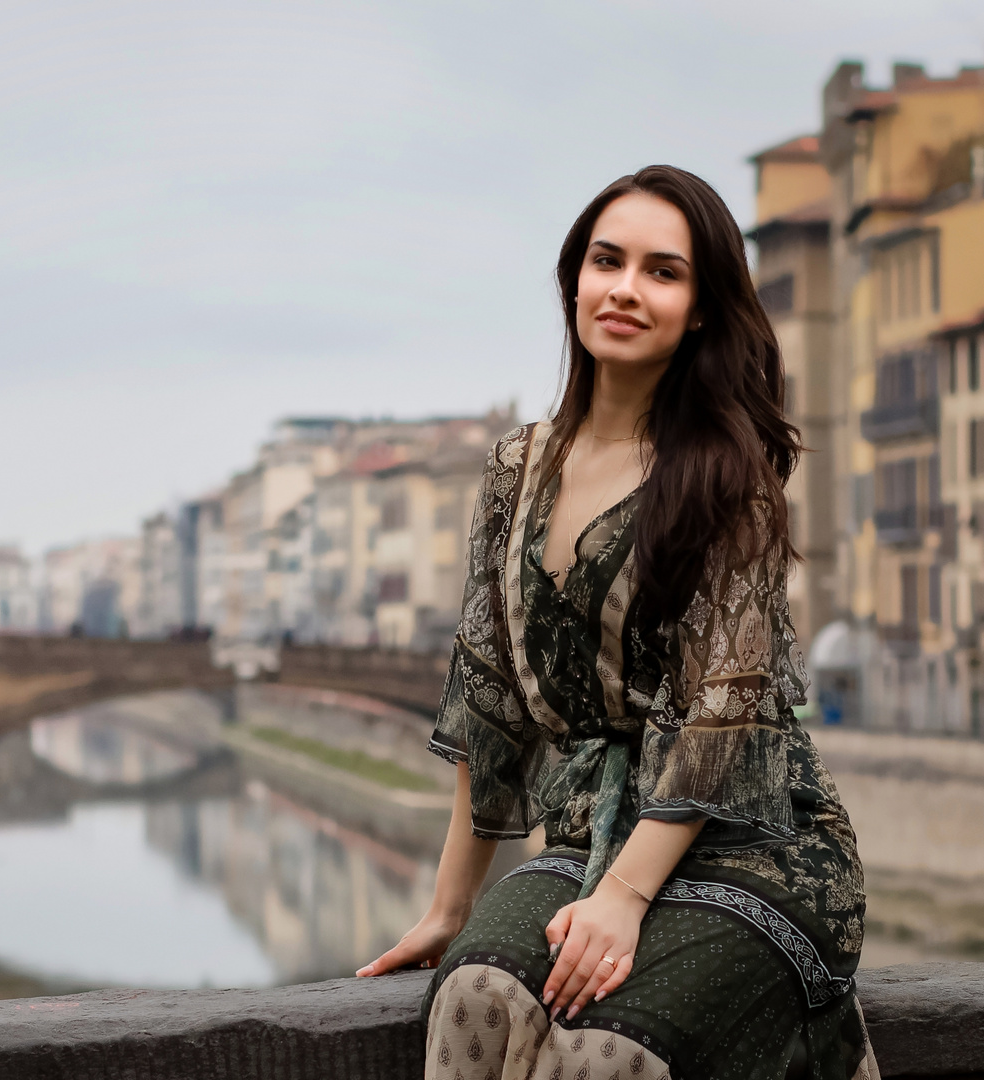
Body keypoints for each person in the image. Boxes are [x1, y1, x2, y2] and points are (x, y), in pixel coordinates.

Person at [357, 165, 877, 1080]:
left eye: (662, 272)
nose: (625, 289)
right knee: (474, 998)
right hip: (585, 832)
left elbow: (721, 717)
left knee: (599, 1054)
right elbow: (491, 703)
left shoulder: (728, 477)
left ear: (702, 309)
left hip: (753, 846)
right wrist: (449, 909)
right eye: (607, 261)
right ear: (574, 280)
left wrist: (625, 897)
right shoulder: (515, 470)